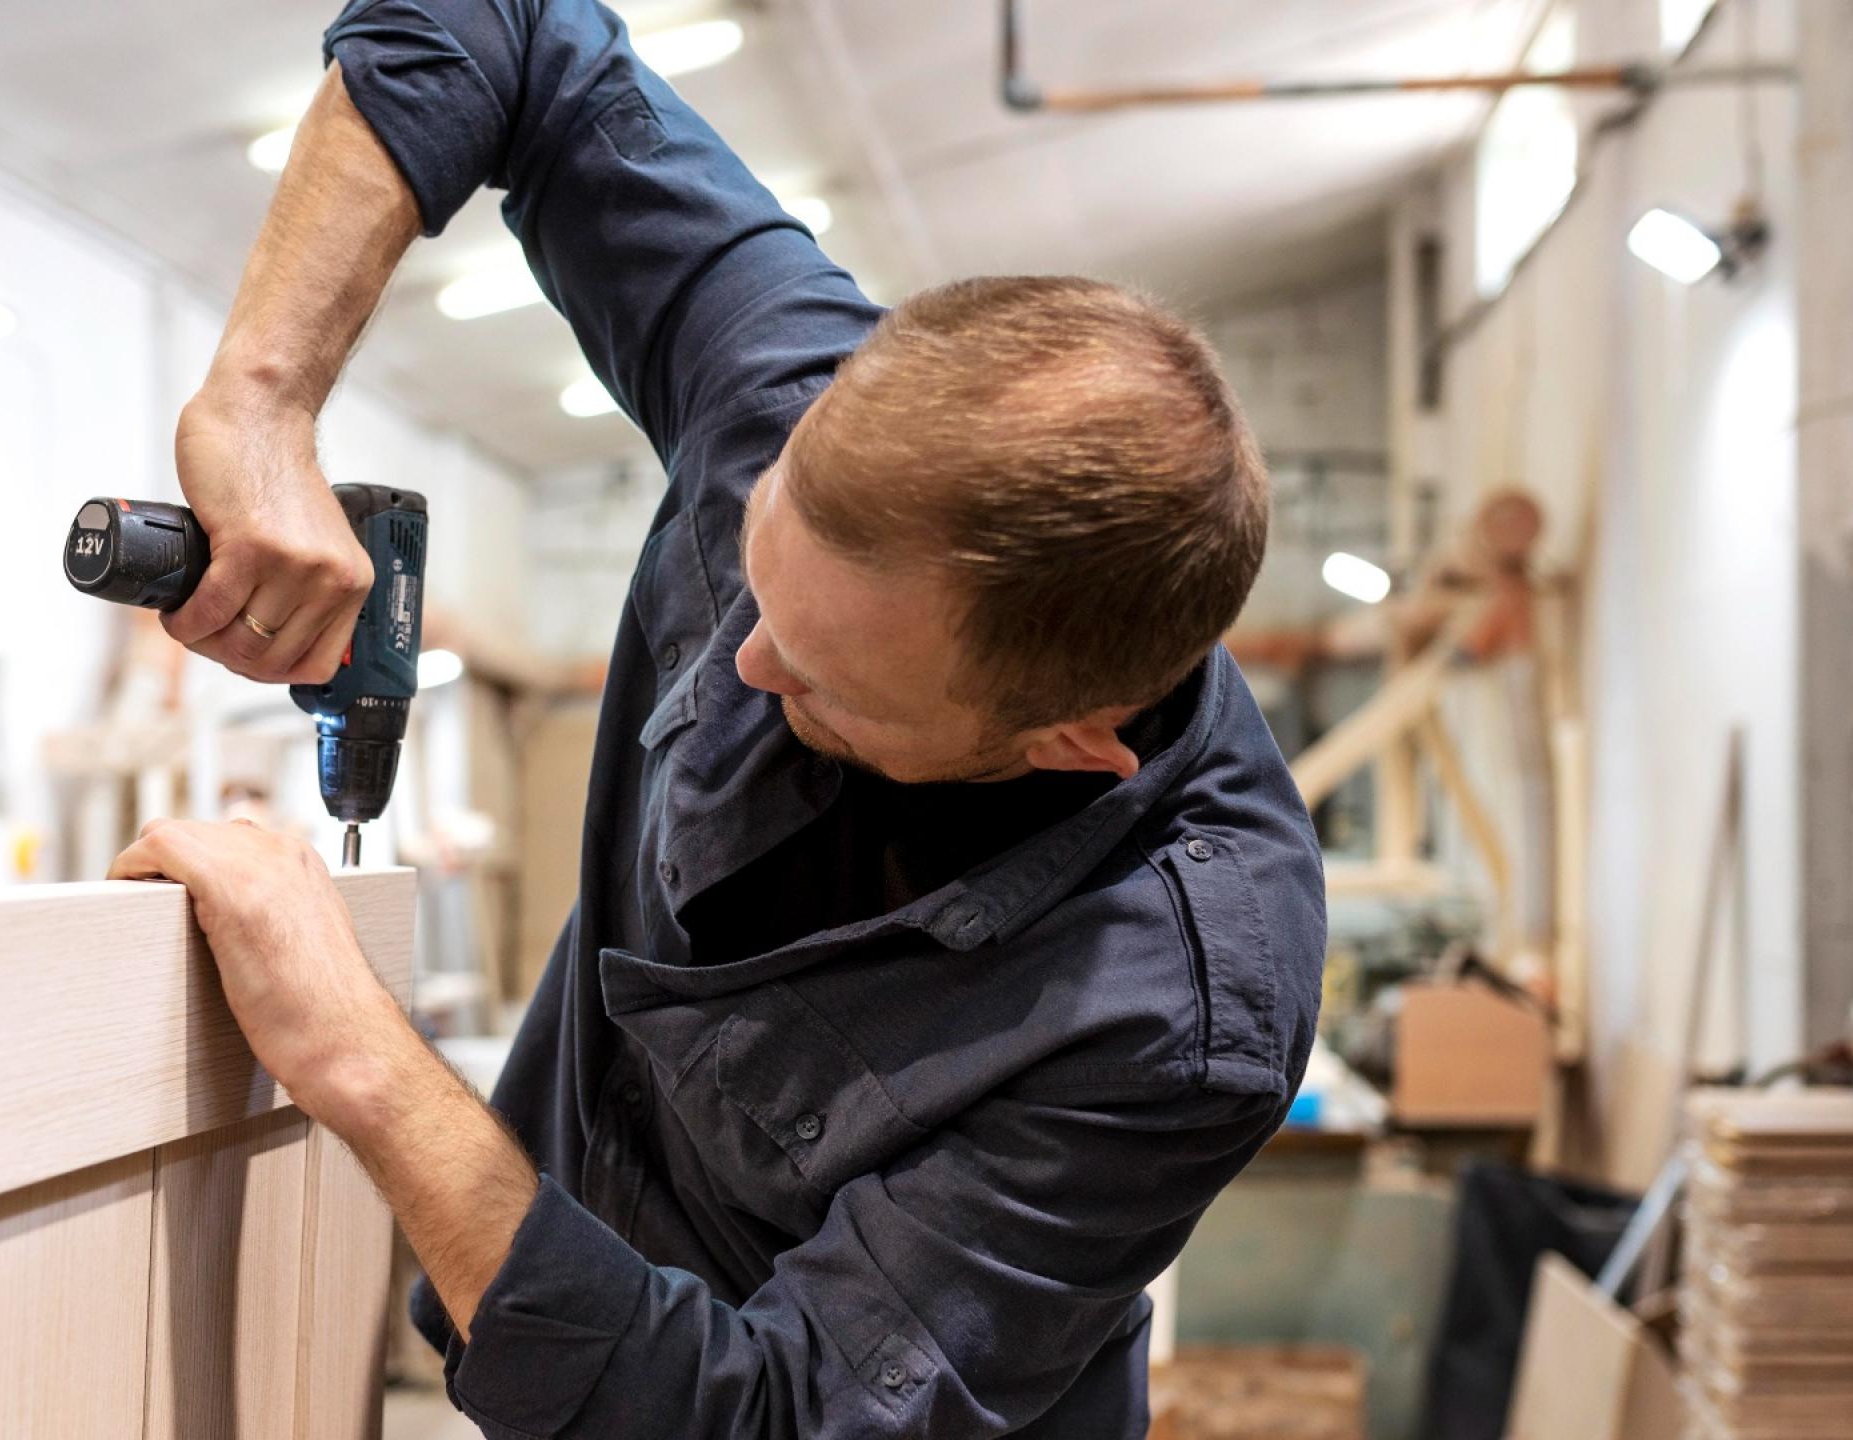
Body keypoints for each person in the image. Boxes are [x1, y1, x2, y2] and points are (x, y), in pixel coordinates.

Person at [108, 1, 1326, 1434]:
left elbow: (774, 1417)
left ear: (1069, 742)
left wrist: (360, 1056)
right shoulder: (778, 390)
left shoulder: (1176, 1010)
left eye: (825, 685)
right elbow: (501, 21)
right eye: (757, 589)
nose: (748, 673)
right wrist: (261, 397)